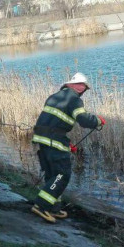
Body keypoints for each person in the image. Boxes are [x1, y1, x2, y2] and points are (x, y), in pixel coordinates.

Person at [30, 72, 104, 223]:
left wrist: (66, 144)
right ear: (73, 85)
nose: (82, 89)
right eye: (81, 86)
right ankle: (41, 206)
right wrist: (97, 121)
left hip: (43, 139)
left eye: (84, 87)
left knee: (52, 175)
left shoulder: (54, 96)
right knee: (62, 175)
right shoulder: (74, 100)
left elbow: (53, 122)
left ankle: (53, 208)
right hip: (53, 140)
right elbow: (83, 120)